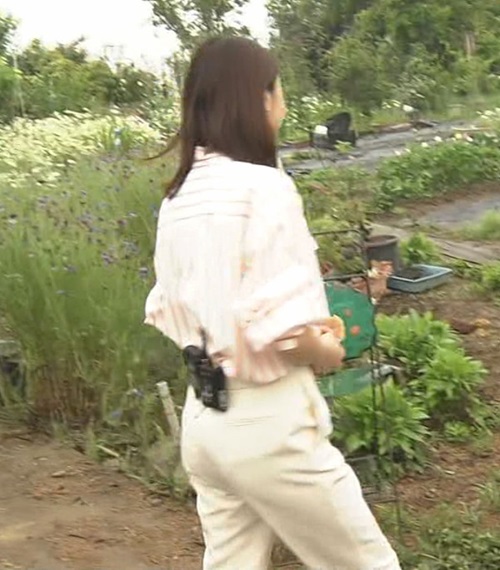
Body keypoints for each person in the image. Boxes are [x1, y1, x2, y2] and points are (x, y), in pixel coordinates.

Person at [145, 36, 401, 570]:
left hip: (206, 420)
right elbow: (289, 335)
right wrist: (327, 347)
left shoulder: (178, 197)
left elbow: (177, 307)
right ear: (259, 99)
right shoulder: (265, 188)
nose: (282, 105)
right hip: (268, 424)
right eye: (278, 91)